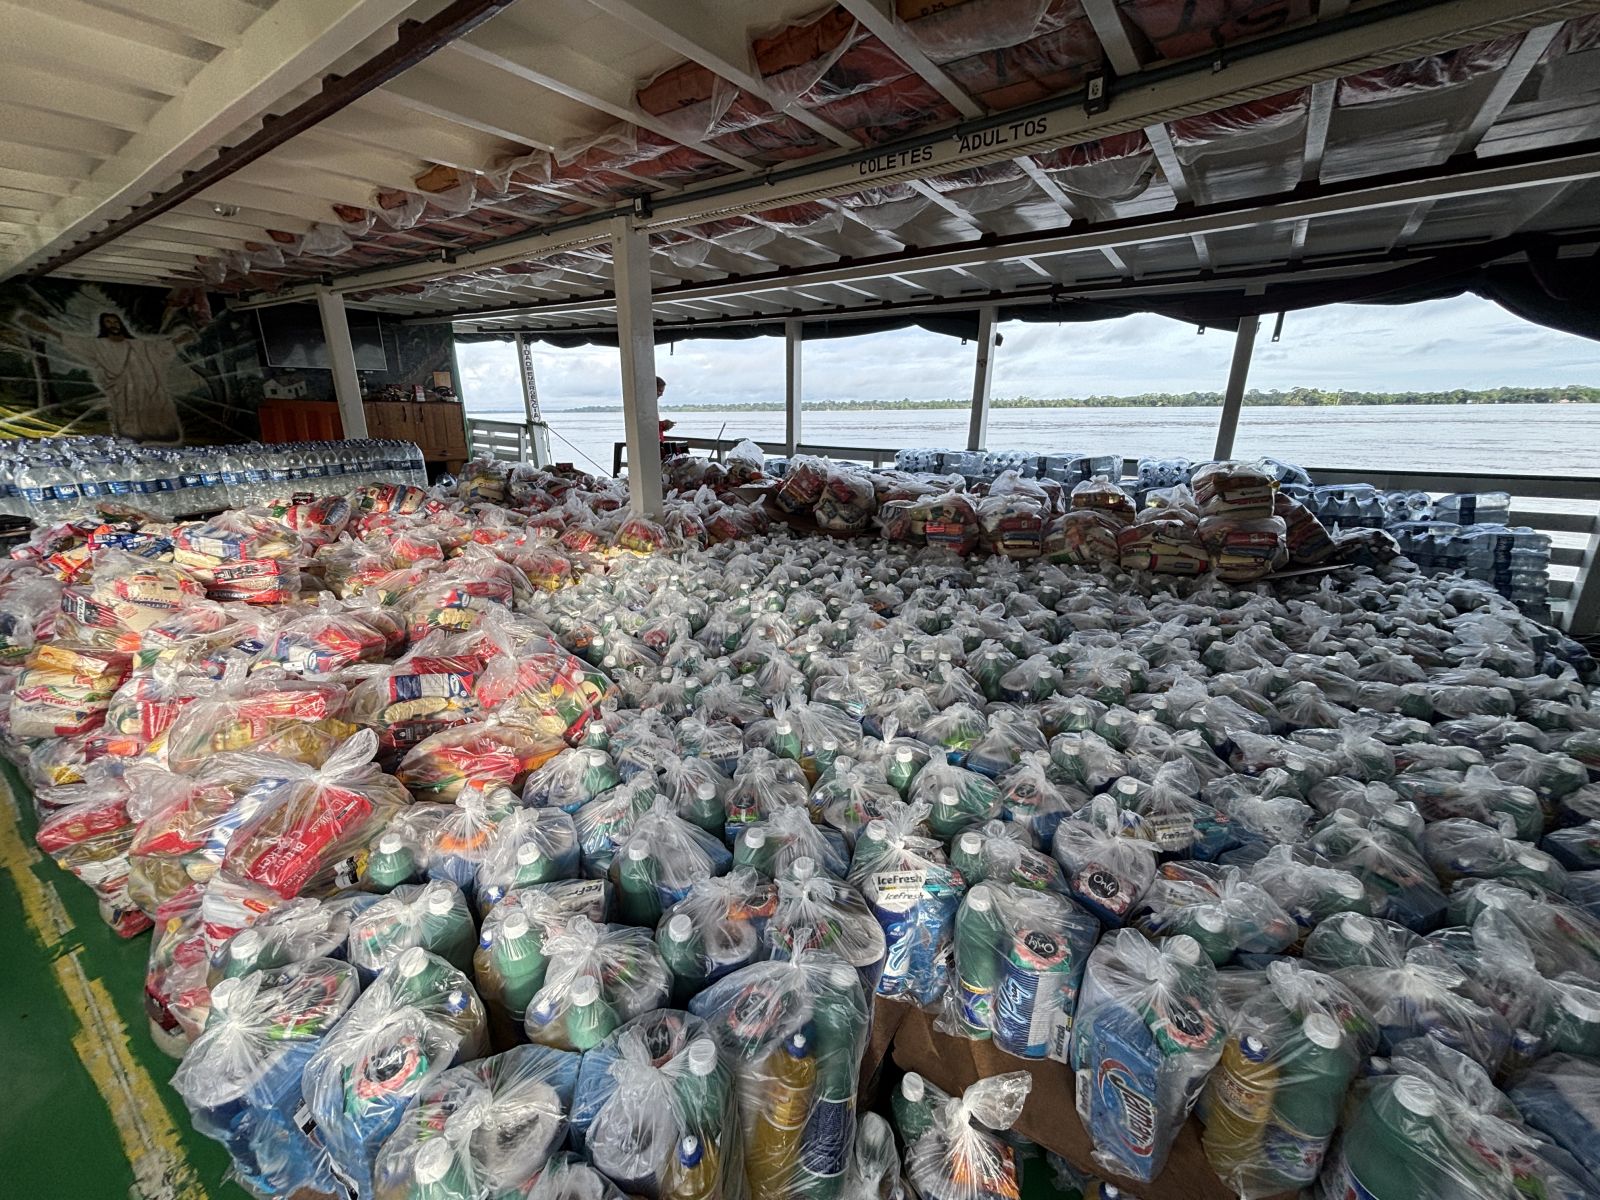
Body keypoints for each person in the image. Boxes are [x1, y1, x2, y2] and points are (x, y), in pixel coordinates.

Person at [18, 310, 193, 441]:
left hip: (150, 392)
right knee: (131, 429)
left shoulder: (139, 345)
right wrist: (46, 329)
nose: (113, 324)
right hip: (122, 393)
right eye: (108, 322)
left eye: (115, 321)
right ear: (104, 325)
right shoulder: (98, 345)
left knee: (161, 427)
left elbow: (160, 349)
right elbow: (72, 341)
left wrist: (182, 339)